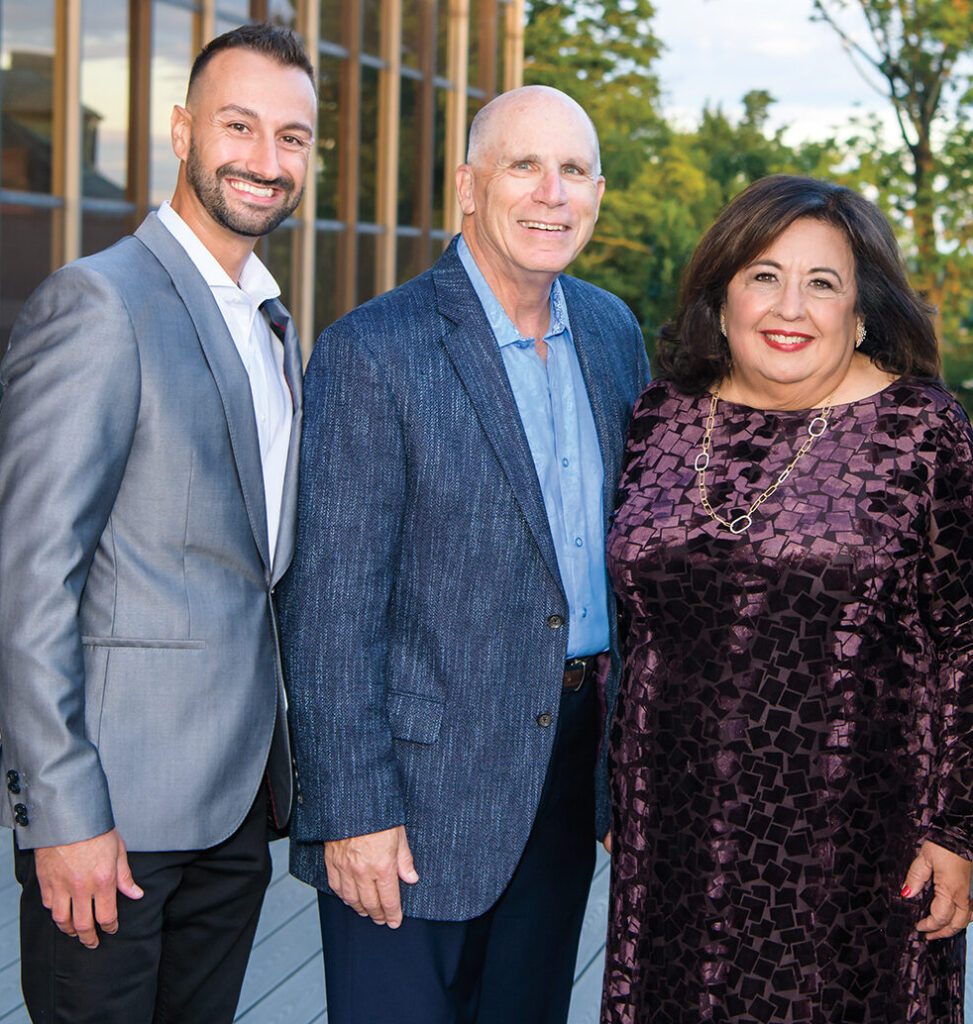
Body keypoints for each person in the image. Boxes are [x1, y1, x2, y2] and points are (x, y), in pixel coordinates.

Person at [278, 84, 649, 1024]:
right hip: (411, 795)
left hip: (564, 771)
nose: (550, 194)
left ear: (598, 193)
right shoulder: (374, 350)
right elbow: (330, 610)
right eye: (523, 165)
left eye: (572, 171)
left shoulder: (611, 334)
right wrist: (353, 811)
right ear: (467, 188)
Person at [0, 23, 316, 1024]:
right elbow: (28, 582)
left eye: (294, 137)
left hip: (236, 808)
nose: (267, 162)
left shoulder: (270, 318)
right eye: (240, 126)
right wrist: (63, 815)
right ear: (181, 132)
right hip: (112, 819)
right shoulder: (98, 303)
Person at [602, 174, 973, 1023]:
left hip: (860, 843)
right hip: (674, 832)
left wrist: (956, 831)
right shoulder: (657, 418)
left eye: (821, 283)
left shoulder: (920, 431)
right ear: (721, 295)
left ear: (860, 307)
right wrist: (619, 796)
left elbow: (963, 643)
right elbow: (637, 632)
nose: (790, 307)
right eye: (764, 275)